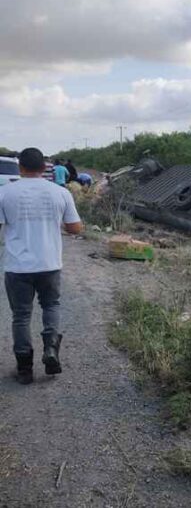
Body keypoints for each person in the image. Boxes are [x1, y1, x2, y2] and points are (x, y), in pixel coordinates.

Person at [0, 148, 84, 384]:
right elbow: (75, 228)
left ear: (20, 167)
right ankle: (51, 350)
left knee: (21, 316)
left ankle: (25, 369)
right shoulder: (60, 193)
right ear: (44, 168)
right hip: (49, 263)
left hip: (17, 267)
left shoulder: (5, 193)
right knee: (51, 306)